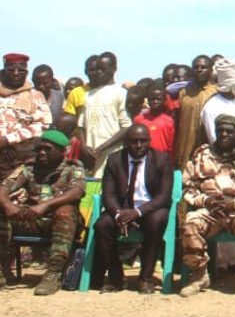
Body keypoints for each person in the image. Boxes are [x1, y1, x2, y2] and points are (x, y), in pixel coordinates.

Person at [179, 115, 235, 299]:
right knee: (190, 221)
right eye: (220, 130)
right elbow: (187, 187)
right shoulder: (202, 154)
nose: (224, 134)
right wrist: (205, 201)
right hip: (210, 212)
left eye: (229, 131)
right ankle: (199, 275)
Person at [0, 129, 86, 294]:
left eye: (48, 149)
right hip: (30, 219)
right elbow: (4, 188)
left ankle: (53, 274)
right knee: (2, 209)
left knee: (65, 211)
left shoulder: (72, 168)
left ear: (62, 152)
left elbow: (76, 191)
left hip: (59, 222)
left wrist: (46, 205)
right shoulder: (29, 168)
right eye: (39, 148)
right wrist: (8, 205)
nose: (42, 152)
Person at [93, 124, 173, 294]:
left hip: (149, 211)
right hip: (122, 210)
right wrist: (118, 214)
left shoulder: (161, 159)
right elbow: (108, 194)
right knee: (102, 225)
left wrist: (137, 212)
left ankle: (146, 278)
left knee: (158, 220)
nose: (138, 146)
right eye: (133, 141)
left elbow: (163, 197)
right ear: (125, 143)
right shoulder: (114, 160)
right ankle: (116, 278)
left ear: (149, 141)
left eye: (143, 141)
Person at [79, 52, 131, 176]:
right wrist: (84, 147)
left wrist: (102, 148)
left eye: (103, 69)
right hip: (90, 157)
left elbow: (126, 127)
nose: (98, 72)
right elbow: (81, 125)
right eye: (97, 69)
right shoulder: (88, 95)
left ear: (114, 69)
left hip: (112, 155)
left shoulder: (121, 93)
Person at [0, 53, 50, 180]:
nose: (16, 73)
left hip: (22, 161)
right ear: (4, 70)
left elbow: (42, 125)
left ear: (27, 73)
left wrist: (8, 140)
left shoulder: (36, 96)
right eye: (11, 70)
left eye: (21, 70)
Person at [173, 54, 218, 169]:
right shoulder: (184, 93)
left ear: (211, 70)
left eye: (203, 67)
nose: (199, 70)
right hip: (185, 148)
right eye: (196, 67)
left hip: (208, 149)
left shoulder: (217, 93)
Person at [133, 83, 175, 155]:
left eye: (158, 99)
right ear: (148, 100)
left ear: (164, 100)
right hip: (143, 157)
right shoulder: (139, 120)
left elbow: (170, 144)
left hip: (161, 158)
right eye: (152, 99)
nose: (155, 101)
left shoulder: (169, 121)